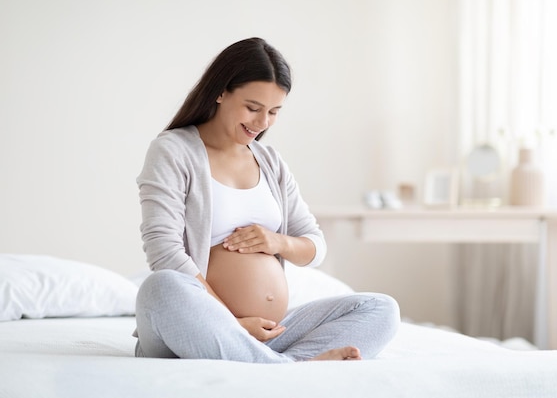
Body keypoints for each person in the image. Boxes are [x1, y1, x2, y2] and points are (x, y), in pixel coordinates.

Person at [134, 37, 400, 363]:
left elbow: (314, 246)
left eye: (274, 112)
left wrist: (276, 242)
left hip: (270, 332)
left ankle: (270, 362)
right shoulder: (174, 151)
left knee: (381, 308)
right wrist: (231, 323)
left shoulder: (270, 161)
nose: (262, 124)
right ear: (220, 92)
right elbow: (164, 251)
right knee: (162, 287)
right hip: (198, 327)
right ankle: (284, 368)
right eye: (253, 108)